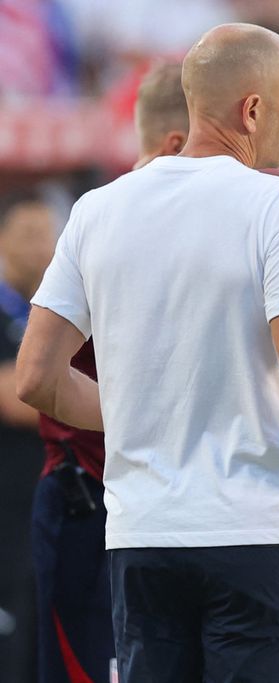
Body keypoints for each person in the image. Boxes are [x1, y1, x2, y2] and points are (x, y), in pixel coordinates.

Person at [16, 23, 279, 683]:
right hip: (252, 529)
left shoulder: (96, 209)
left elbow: (36, 377)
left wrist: (142, 413)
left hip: (142, 532)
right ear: (252, 109)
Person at [29, 61, 188, 683]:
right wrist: (148, 420)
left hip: (146, 500)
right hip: (98, 493)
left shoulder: (101, 218)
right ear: (179, 142)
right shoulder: (106, 222)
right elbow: (37, 376)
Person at [0, 188, 55, 683]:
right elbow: (13, 397)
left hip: (48, 492)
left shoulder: (54, 312)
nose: (42, 247)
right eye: (29, 234)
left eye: (48, 235)